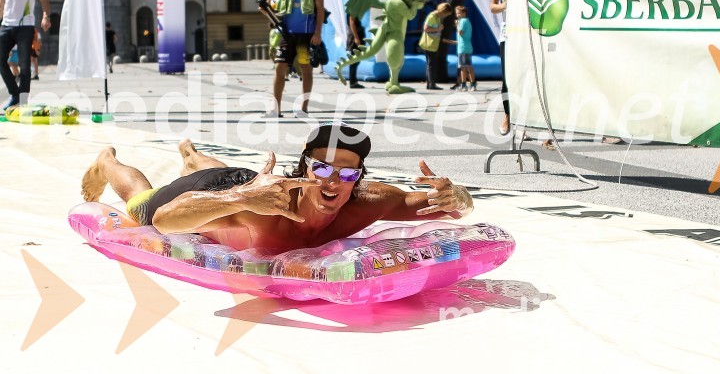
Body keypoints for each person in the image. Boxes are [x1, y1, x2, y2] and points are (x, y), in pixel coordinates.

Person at [80, 122, 474, 253]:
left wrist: (460, 196)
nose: (335, 181)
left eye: (348, 173)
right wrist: (243, 195)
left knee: (236, 174)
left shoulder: (370, 201)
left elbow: (450, 206)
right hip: (215, 196)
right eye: (322, 169)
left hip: (248, 183)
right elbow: (166, 220)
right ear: (304, 166)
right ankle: (107, 161)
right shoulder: (265, 206)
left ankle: (192, 152)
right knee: (141, 202)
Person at [264, 0, 324, 118]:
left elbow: (320, 8)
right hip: (287, 33)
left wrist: (318, 33)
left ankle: (303, 109)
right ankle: (276, 109)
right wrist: (265, 3)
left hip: (306, 33)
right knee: (279, 67)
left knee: (305, 69)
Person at [0, 0, 51, 109]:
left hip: (25, 26)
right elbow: (1, 3)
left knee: (24, 64)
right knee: (1, 61)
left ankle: (22, 100)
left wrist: (45, 16)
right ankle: (15, 94)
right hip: (6, 25)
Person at [490, 0, 529, 135]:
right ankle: (508, 116)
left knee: (527, 77)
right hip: (508, 34)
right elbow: (493, 6)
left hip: (529, 34)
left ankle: (525, 121)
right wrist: (506, 5)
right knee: (508, 78)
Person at [419, 2, 453, 90]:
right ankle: (432, 84)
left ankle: (429, 83)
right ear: (443, 11)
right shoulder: (432, 16)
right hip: (429, 44)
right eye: (446, 14)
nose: (446, 16)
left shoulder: (438, 17)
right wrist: (438, 29)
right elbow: (426, 28)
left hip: (433, 43)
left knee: (430, 64)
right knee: (431, 64)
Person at [454, 5, 476, 91]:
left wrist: (457, 25)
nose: (457, 15)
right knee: (468, 66)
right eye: (456, 13)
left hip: (463, 48)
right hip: (466, 47)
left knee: (463, 67)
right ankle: (471, 84)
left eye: (459, 13)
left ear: (464, 13)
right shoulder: (467, 21)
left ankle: (465, 85)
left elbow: (461, 32)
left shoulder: (462, 21)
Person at [346, 5, 366, 89]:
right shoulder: (353, 7)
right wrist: (356, 38)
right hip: (355, 36)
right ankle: (353, 82)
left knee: (356, 59)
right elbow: (352, 22)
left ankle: (354, 80)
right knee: (354, 59)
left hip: (357, 34)